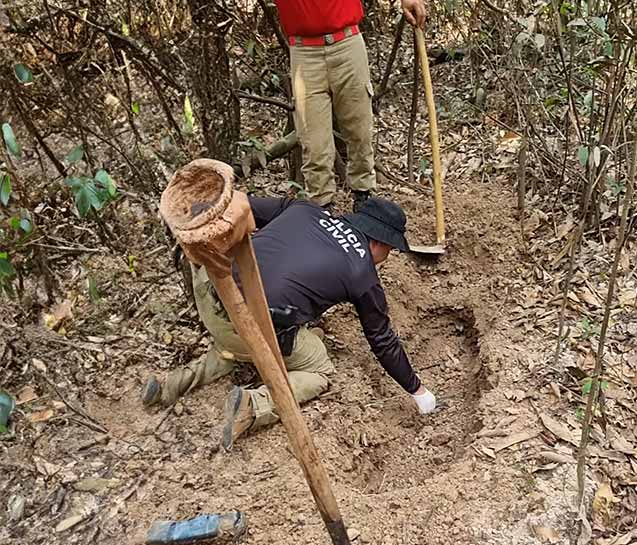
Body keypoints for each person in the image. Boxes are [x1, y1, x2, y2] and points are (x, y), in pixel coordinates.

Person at [143, 195, 438, 449]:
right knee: (318, 367)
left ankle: (170, 384)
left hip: (212, 287)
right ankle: (253, 407)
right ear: (378, 241)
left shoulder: (303, 209)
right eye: (391, 249)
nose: (388, 257)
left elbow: (241, 205)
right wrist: (418, 391)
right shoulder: (362, 273)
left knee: (241, 334)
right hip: (247, 322)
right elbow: (382, 339)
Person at [274, 0, 427, 211]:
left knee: (360, 132)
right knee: (314, 145)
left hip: (347, 44)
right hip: (304, 53)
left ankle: (363, 202)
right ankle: (321, 214)